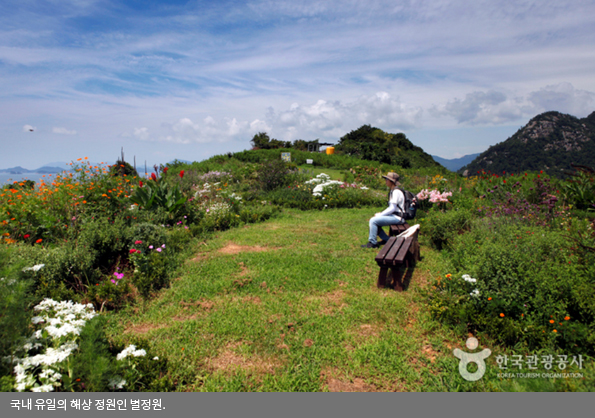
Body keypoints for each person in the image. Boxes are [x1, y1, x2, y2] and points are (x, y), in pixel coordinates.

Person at [361, 172, 414, 248]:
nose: (385, 181)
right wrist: (381, 213)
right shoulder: (394, 190)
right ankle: (387, 240)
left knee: (373, 220)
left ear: (391, 181)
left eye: (387, 179)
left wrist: (380, 214)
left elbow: (392, 208)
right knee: (375, 221)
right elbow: (392, 208)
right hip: (395, 216)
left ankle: (373, 243)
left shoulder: (396, 192)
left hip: (397, 218)